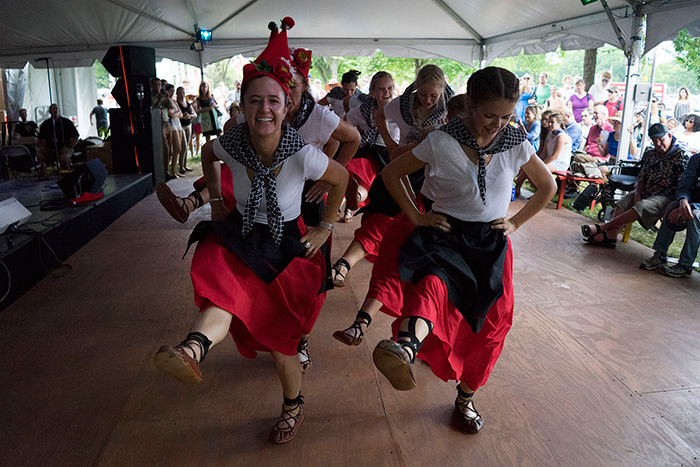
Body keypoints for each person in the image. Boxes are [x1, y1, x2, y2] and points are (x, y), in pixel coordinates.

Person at [153, 17, 348, 444]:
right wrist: (220, 204)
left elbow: (341, 180)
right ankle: (192, 349)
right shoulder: (232, 142)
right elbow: (208, 154)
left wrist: (326, 226)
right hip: (244, 234)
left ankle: (293, 403)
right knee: (222, 283)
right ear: (241, 104)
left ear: (287, 106)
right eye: (254, 100)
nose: (264, 109)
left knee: (282, 348)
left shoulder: (303, 153)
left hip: (288, 247)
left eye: (274, 101)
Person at [370, 66, 555, 434]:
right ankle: (404, 347)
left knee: (494, 324)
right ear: (469, 103)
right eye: (489, 114)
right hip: (446, 233)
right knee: (432, 287)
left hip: (490, 243)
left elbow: (546, 186)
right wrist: (416, 216)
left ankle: (466, 397)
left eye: (506, 116)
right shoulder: (441, 141)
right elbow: (392, 173)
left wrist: (516, 223)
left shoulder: (515, 141)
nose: (497, 124)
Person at [332, 64, 453, 344]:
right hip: (400, 172)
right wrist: (393, 147)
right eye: (423, 94)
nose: (427, 100)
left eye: (432, 96)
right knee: (381, 236)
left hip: (430, 190)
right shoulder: (403, 103)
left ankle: (408, 340)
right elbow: (379, 116)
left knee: (411, 265)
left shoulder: (450, 111)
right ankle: (360, 319)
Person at [581, 123, 690, 248]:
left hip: (666, 196)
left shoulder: (682, 155)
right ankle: (611, 236)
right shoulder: (650, 152)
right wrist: (637, 194)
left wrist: (673, 205)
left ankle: (603, 227)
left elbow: (683, 185)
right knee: (623, 203)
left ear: (669, 136)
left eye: (661, 140)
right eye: (655, 141)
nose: (658, 144)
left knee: (642, 206)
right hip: (647, 191)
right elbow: (641, 177)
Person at [640, 151, 700, 278]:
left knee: (695, 216)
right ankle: (660, 255)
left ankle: (685, 265)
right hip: (690, 203)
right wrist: (683, 201)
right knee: (671, 207)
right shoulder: (697, 159)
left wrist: (691, 207)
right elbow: (684, 186)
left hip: (696, 208)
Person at [36, 104, 79, 177]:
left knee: (64, 157)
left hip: (64, 148)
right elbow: (39, 138)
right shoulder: (45, 124)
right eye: (52, 109)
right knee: (39, 155)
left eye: (56, 108)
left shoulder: (66, 122)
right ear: (49, 111)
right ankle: (41, 175)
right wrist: (41, 147)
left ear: (59, 110)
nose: (54, 110)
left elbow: (76, 136)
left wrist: (69, 146)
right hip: (50, 149)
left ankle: (65, 175)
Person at [164, 84, 183, 178]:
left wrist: (176, 114)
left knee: (179, 148)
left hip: (178, 123)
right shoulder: (166, 101)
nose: (172, 93)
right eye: (170, 91)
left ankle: (174, 170)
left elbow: (181, 114)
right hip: (171, 124)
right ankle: (172, 171)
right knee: (177, 147)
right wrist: (176, 114)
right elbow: (170, 114)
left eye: (173, 91)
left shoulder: (174, 101)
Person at [177, 86, 197, 172]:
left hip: (188, 125)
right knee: (184, 145)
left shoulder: (187, 103)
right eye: (180, 93)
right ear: (177, 94)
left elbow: (195, 114)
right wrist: (183, 116)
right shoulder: (176, 103)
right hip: (180, 126)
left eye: (183, 93)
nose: (182, 95)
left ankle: (184, 165)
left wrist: (189, 116)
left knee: (187, 144)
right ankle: (181, 165)